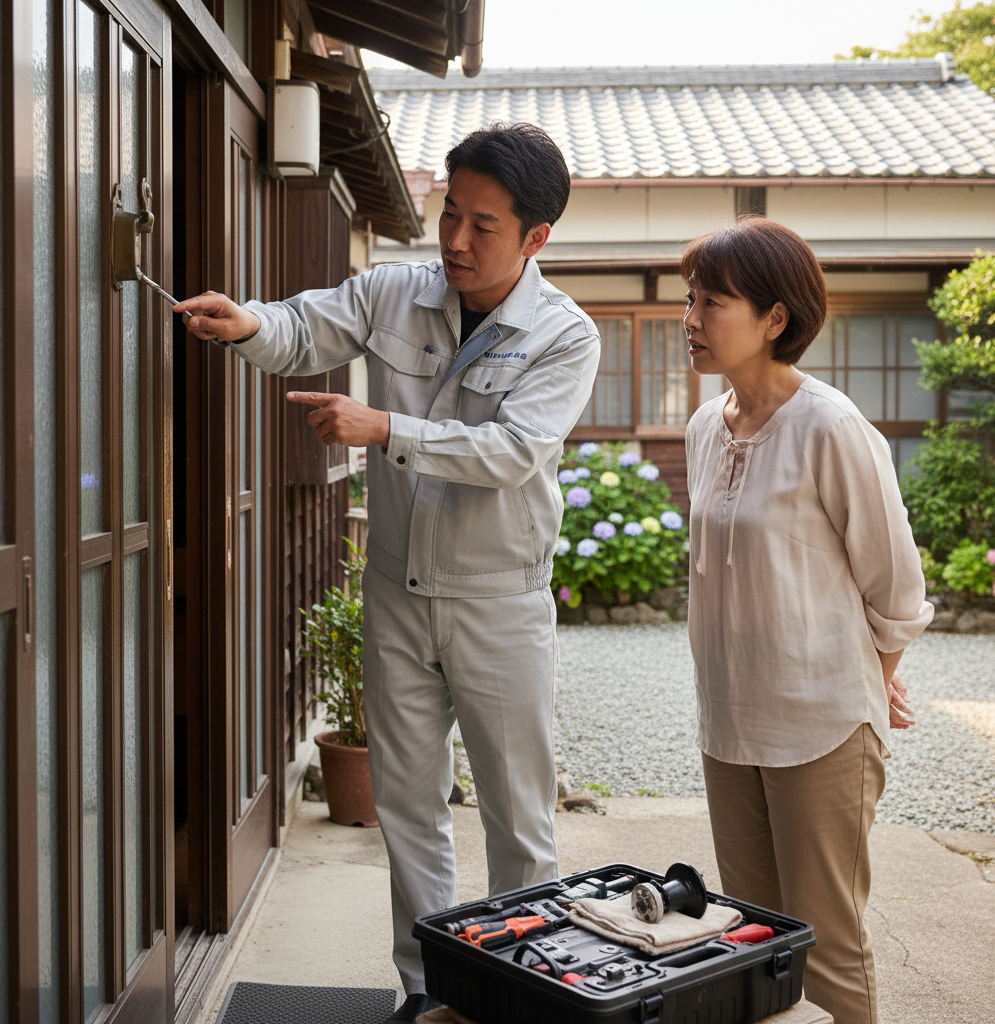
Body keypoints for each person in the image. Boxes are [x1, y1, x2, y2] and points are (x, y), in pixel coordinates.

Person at [177, 123, 600, 1023]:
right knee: (410, 813)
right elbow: (303, 324)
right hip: (398, 594)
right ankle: (429, 991)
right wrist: (250, 322)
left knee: (519, 820)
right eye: (451, 214)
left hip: (500, 604)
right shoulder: (394, 292)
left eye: (482, 226)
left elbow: (513, 451)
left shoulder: (566, 336)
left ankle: (520, 998)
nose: (454, 239)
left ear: (535, 239)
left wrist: (385, 430)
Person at [681, 217, 931, 1024]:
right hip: (730, 722)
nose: (691, 319)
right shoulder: (702, 429)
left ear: (775, 318)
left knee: (826, 946)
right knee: (751, 944)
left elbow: (895, 585)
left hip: (821, 725)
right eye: (690, 300)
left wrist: (878, 678)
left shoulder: (830, 426)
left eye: (711, 302)